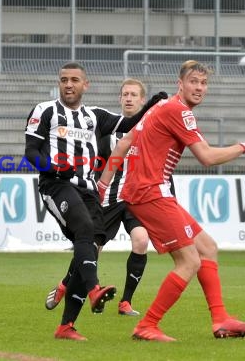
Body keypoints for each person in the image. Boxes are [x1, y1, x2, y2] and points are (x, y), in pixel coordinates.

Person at [98, 60, 245, 342]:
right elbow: (206, 158)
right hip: (151, 191)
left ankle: (220, 319)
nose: (199, 88)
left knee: (207, 248)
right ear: (181, 84)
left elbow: (125, 140)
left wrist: (104, 183)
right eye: (194, 82)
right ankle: (147, 325)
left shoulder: (160, 108)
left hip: (147, 189)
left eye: (203, 83)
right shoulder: (179, 111)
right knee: (189, 261)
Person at [25, 61, 167, 341]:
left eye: (74, 80)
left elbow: (127, 123)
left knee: (87, 247)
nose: (68, 84)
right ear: (59, 82)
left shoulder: (94, 116)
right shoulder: (45, 110)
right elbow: (30, 152)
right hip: (56, 184)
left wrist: (151, 104)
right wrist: (53, 168)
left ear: (84, 85)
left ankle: (66, 326)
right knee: (85, 231)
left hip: (88, 190)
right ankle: (94, 290)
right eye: (64, 79)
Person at [44, 78, 160, 317]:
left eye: (133, 94)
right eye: (124, 94)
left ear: (142, 100)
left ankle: (125, 302)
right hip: (109, 199)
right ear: (120, 99)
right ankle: (66, 284)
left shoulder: (150, 134)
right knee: (92, 249)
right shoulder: (106, 132)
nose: (128, 98)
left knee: (141, 240)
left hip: (135, 200)